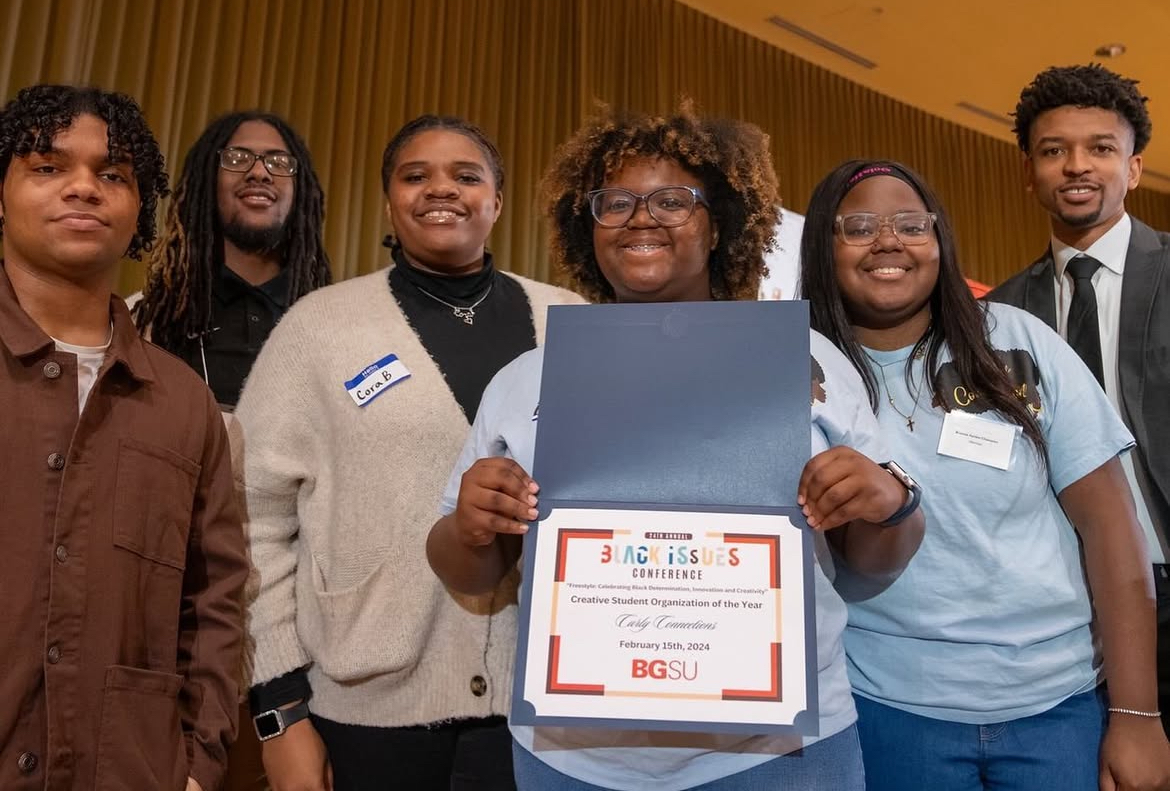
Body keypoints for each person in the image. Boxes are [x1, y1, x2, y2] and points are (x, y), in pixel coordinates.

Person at [428, 106, 925, 791]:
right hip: (575, 759)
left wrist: (887, 503)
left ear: (719, 223)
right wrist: (472, 523)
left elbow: (875, 562)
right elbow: (468, 569)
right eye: (616, 202)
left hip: (777, 753)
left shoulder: (801, 360)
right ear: (586, 226)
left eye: (672, 200)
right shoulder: (527, 378)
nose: (641, 217)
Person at [236, 115, 584, 791]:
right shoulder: (319, 327)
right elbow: (249, 524)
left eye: (466, 175)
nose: (440, 190)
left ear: (497, 201)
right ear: (389, 199)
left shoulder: (568, 319)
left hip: (546, 713)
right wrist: (278, 713)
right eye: (415, 175)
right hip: (369, 717)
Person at [799, 158, 1170, 791]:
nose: (888, 240)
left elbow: (1112, 528)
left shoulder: (1018, 344)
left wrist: (1138, 715)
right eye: (858, 226)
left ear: (939, 240)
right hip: (885, 708)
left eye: (911, 224)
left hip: (1058, 706)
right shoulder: (802, 370)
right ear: (822, 247)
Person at [0, 84, 248, 791]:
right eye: (48, 167)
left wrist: (199, 765)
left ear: (140, 209)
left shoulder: (185, 403)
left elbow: (214, 602)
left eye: (113, 174)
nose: (84, 187)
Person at [986, 64, 1170, 738]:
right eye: (1053, 151)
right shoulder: (998, 315)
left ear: (1136, 167)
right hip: (1072, 600)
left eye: (1100, 147)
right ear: (1028, 172)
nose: (1076, 166)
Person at [134, 110, 331, 409]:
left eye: (278, 162)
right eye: (237, 158)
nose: (260, 172)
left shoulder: (334, 325)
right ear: (207, 182)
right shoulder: (143, 323)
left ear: (300, 191)